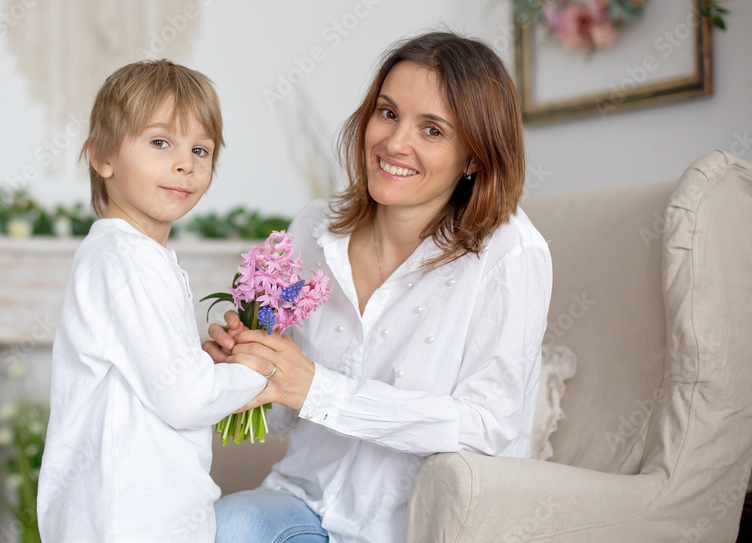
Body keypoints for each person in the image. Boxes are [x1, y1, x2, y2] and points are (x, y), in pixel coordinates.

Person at [205, 32, 553, 542]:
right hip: (303, 505)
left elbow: (487, 427)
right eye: (388, 113)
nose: (394, 143)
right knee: (226, 527)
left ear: (475, 158)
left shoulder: (510, 254)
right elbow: (283, 417)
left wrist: (318, 389)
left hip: (416, 530)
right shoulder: (313, 229)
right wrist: (252, 368)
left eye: (432, 130)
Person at [37, 60, 268, 542]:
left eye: (201, 149)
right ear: (102, 157)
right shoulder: (126, 256)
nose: (186, 163)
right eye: (161, 142)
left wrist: (203, 362)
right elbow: (183, 399)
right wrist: (259, 371)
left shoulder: (138, 255)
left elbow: (156, 378)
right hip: (130, 516)